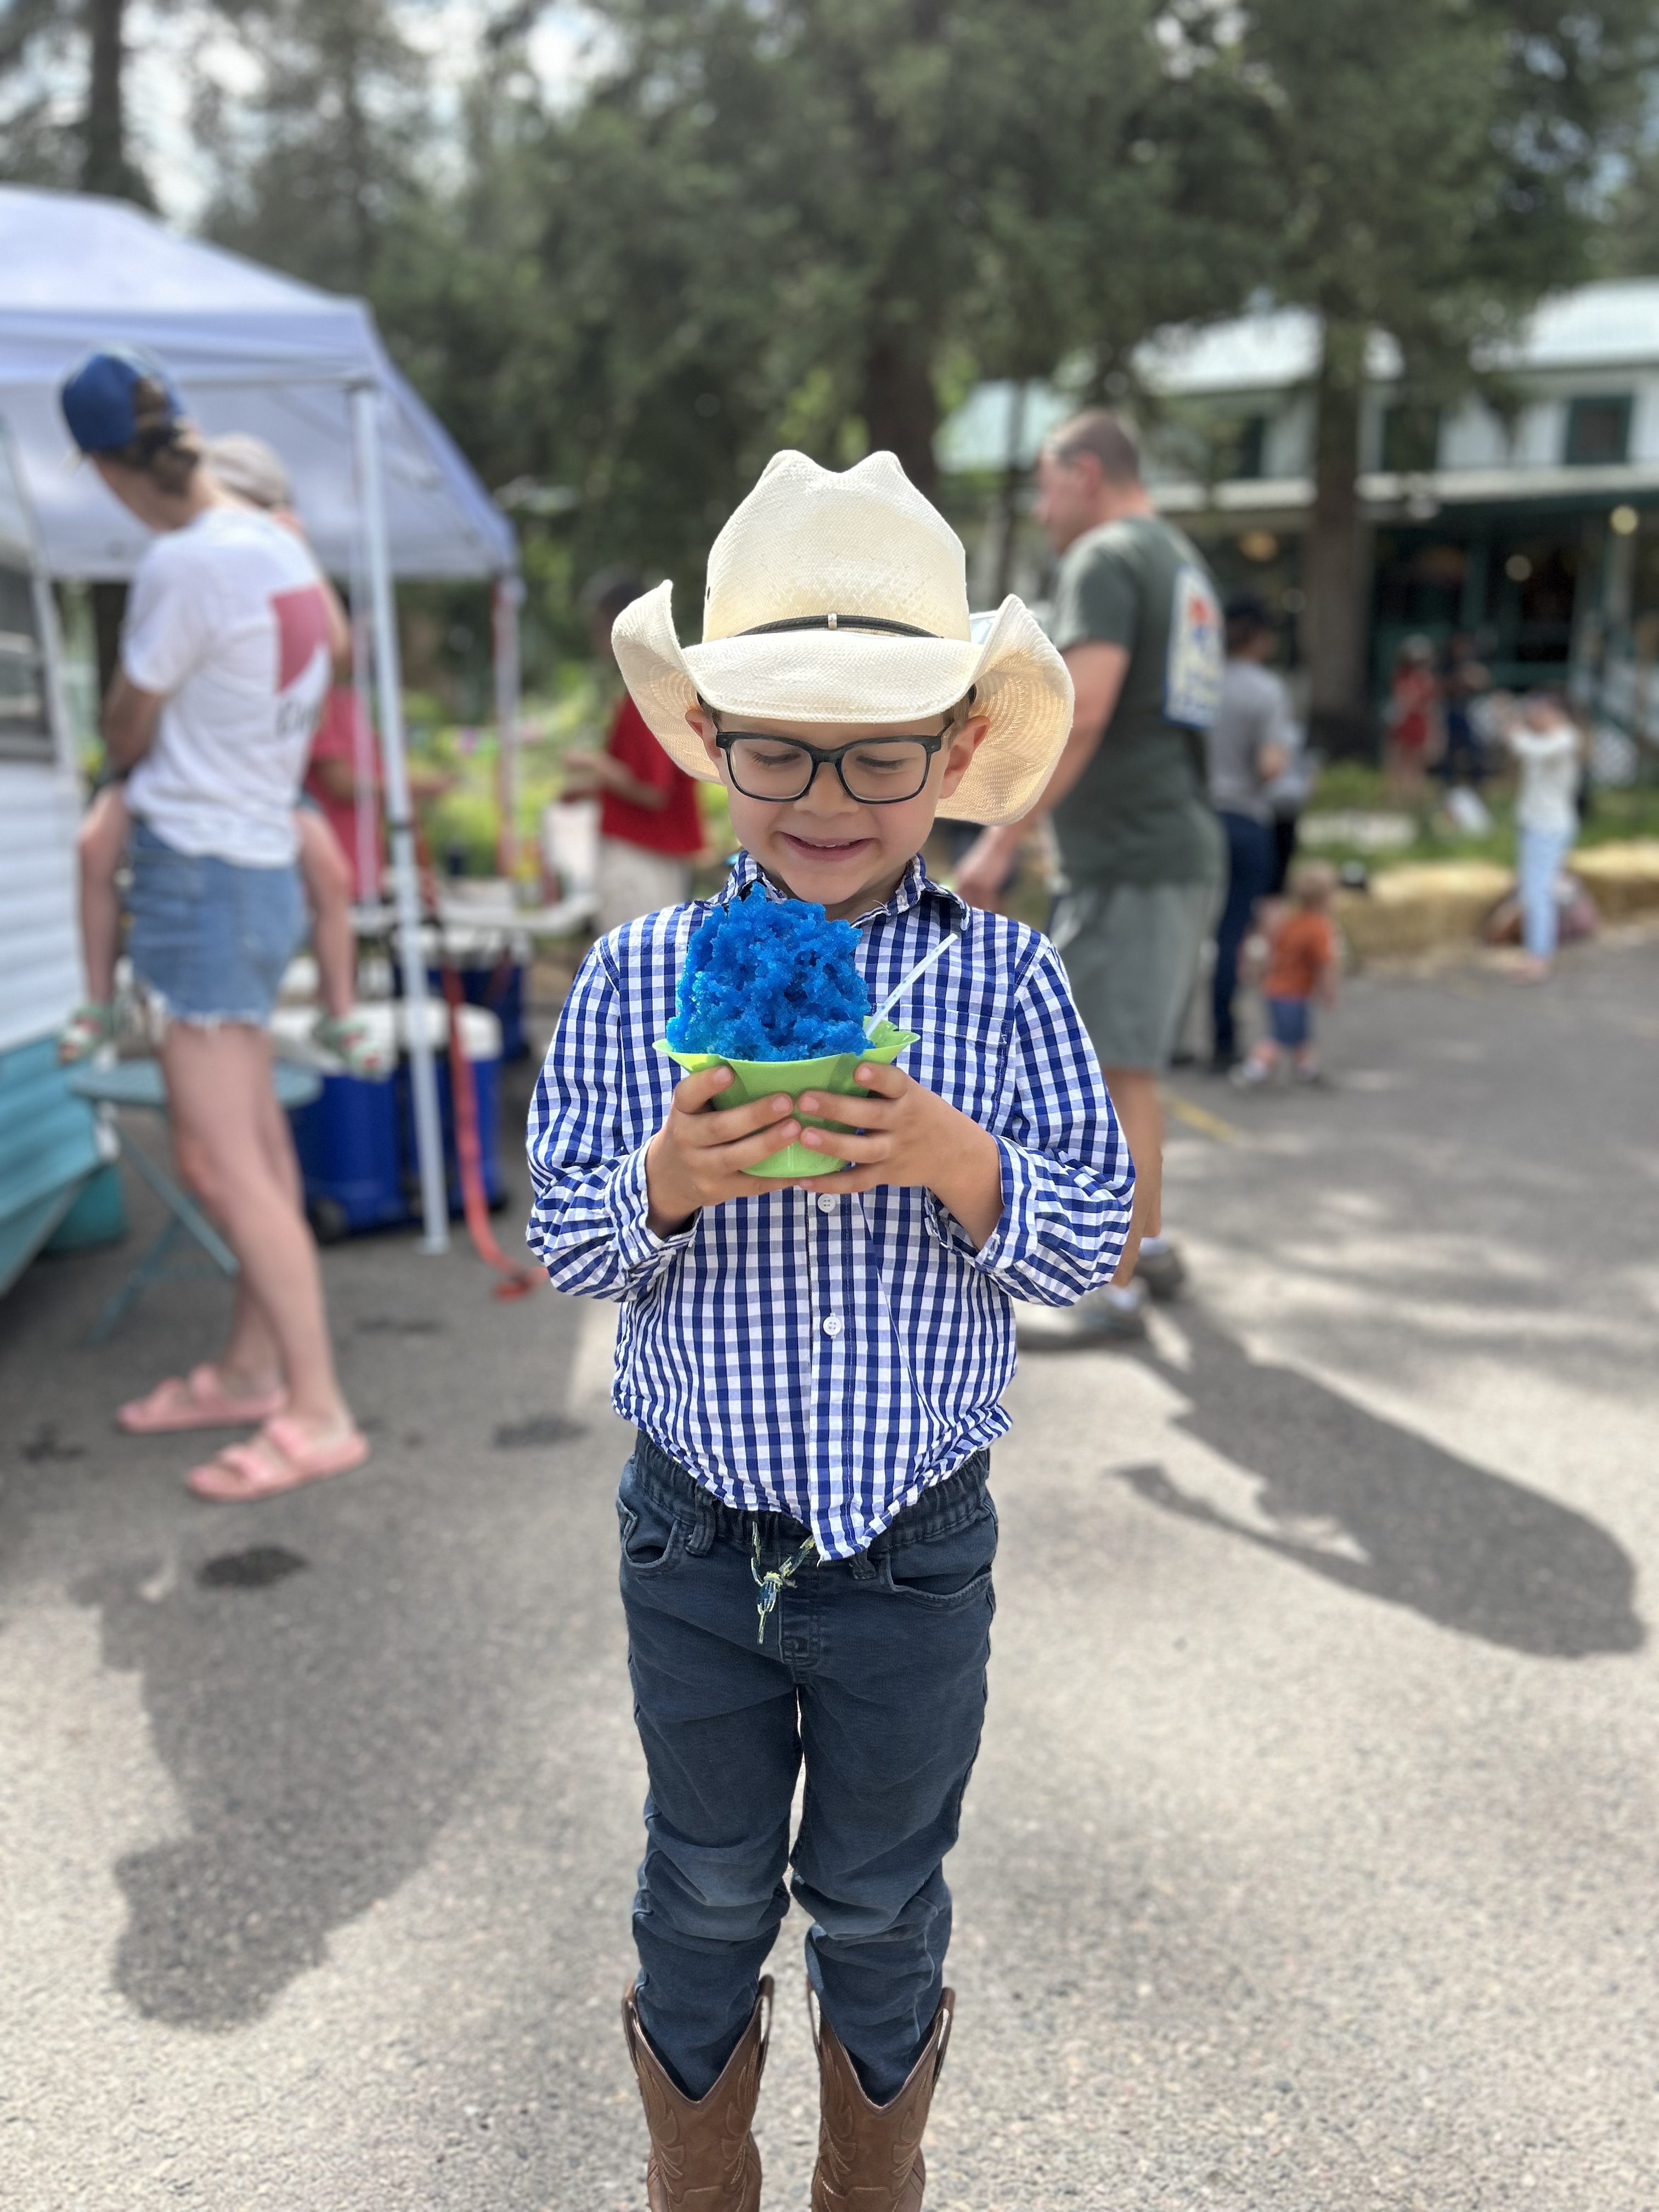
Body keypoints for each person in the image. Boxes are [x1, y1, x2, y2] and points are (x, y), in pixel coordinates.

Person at [527, 449, 1132, 2212]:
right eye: (779, 744)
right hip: (692, 1539)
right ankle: (694, 2182)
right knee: (707, 1882)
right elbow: (569, 1246)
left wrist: (960, 1162)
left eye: (878, 752)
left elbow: (1088, 1243)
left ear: (952, 754)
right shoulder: (642, 977)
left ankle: (876, 2183)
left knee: (878, 1892)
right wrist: (664, 1179)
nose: (827, 796)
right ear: (715, 746)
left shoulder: (1009, 982)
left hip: (915, 1550)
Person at [59, 346, 368, 1498]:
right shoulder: (267, 536)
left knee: (223, 1161)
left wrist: (139, 738)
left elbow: (131, 724)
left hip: (198, 875)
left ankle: (318, 1408)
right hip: (259, 867)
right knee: (255, 1149)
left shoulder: (182, 563)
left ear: (102, 467)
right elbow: (335, 652)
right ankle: (250, 1367)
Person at [956, 409, 1224, 1342]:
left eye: (1043, 483)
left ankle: (1108, 1288)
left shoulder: (1106, 558)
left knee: (1113, 1072)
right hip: (1170, 842)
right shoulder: (1176, 558)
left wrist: (1002, 835)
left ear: (1082, 472)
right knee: (1129, 1064)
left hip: (1130, 851)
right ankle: (1142, 1247)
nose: (1039, 506)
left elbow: (1089, 705)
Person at [58, 430, 390, 1077]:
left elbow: (341, 649)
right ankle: (98, 1000)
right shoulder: (198, 562)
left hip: (258, 777)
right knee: (93, 847)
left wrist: (297, 552)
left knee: (332, 875)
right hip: (175, 766)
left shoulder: (274, 556)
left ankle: (339, 1006)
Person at [562, 567, 706, 930]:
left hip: (642, 857)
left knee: (635, 977)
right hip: (649, 854)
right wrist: (594, 787)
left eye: (599, 628)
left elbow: (652, 790)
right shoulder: (656, 686)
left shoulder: (653, 691)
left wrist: (594, 764)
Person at [1206, 593, 1291, 1070]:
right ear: (1260, 637)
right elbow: (1271, 764)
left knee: (1186, 933)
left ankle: (1167, 1042)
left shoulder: (1197, 683)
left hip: (1197, 819)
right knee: (1232, 933)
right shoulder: (1267, 690)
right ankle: (1223, 1041)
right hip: (1245, 821)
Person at [1232, 859, 1341, 1085]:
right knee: (1280, 1036)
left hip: (1276, 988)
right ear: (1326, 898)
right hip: (1292, 992)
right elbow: (1324, 964)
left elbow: (1271, 952)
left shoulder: (1290, 922)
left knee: (1299, 1032)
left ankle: (1307, 1069)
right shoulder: (1319, 928)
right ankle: (1253, 1070)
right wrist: (1328, 991)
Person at [1505, 691, 1584, 982]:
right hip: (1537, 823)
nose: (1533, 717)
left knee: (1539, 893)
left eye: (1538, 712)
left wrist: (1511, 727)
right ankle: (1537, 952)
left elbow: (1527, 749)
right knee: (1534, 891)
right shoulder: (1548, 739)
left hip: (1548, 827)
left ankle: (1539, 957)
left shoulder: (1564, 739)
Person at [1385, 635, 1441, 800]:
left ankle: (1414, 799)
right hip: (1404, 722)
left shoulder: (1428, 679)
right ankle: (1396, 798)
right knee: (1399, 762)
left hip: (1420, 723)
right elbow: (1404, 699)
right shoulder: (1402, 676)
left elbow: (1431, 706)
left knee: (1418, 764)